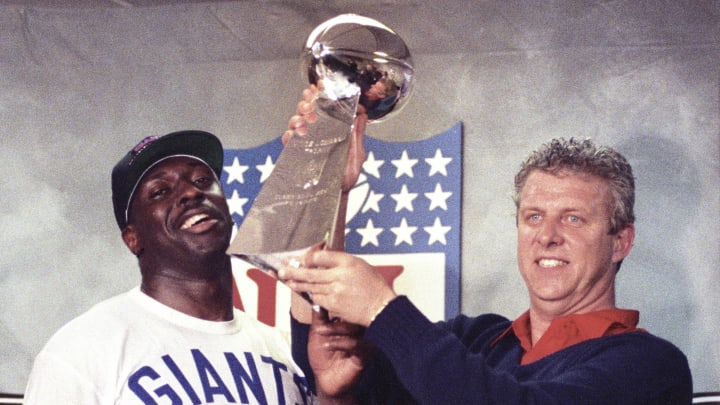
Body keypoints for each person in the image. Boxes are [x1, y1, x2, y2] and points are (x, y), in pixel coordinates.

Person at [279, 126, 694, 402]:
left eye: (573, 218)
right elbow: (320, 351)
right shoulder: (473, 340)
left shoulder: (651, 366)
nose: (547, 235)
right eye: (533, 216)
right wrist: (323, 182)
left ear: (620, 241)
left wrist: (382, 310)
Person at [24, 130, 318, 404]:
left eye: (202, 180)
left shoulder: (280, 350)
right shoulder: (79, 353)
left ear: (228, 211)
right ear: (133, 238)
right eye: (160, 191)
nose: (190, 193)